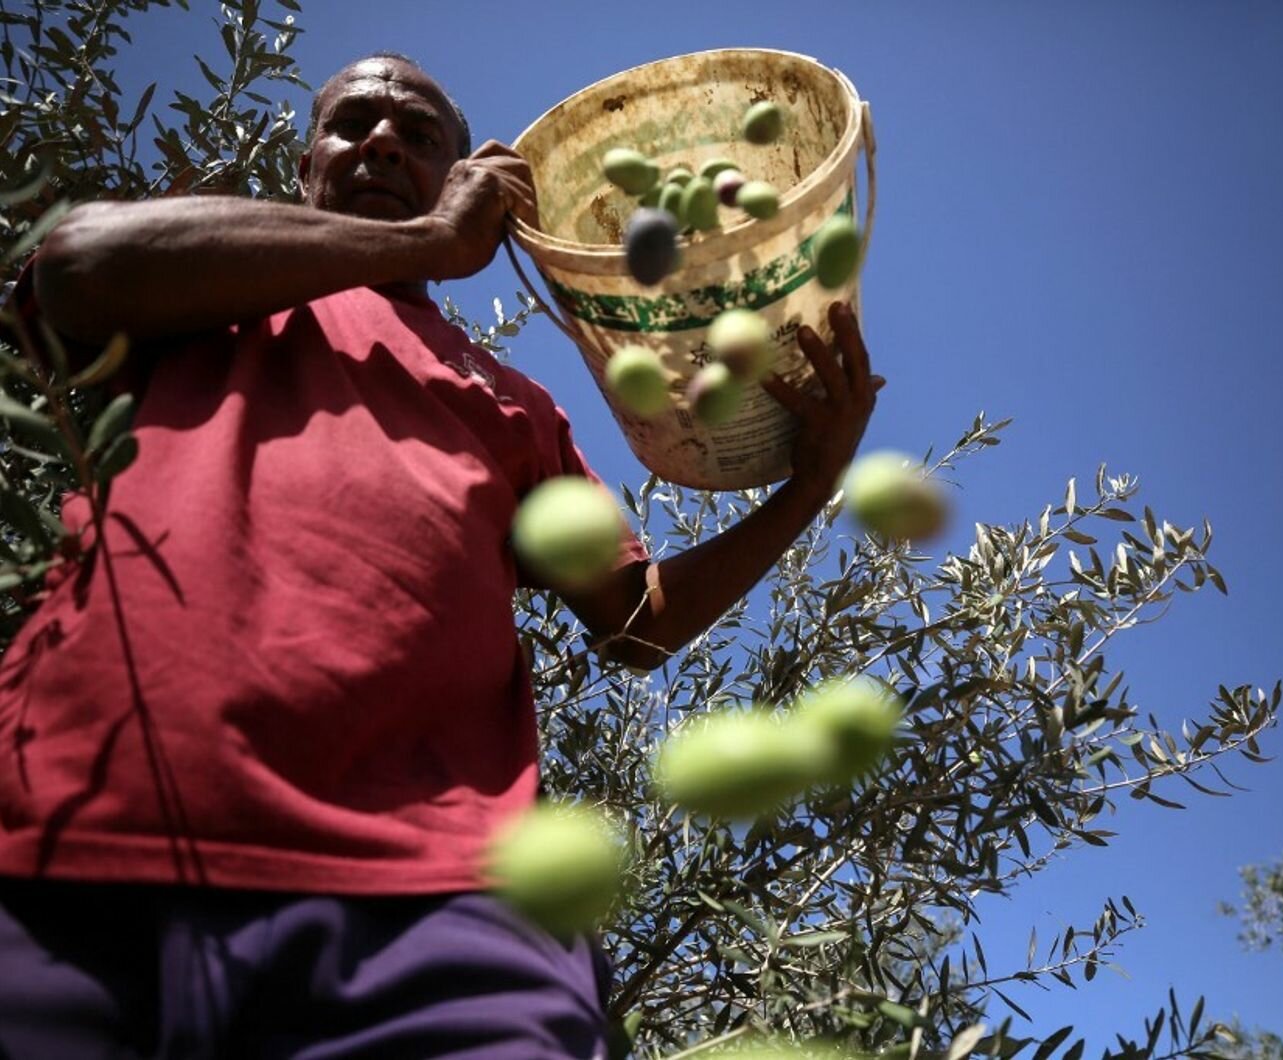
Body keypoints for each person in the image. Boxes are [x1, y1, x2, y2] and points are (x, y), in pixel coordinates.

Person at [0, 52, 878, 1059]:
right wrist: (422, 240)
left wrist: (808, 488)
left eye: (419, 136)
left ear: (469, 179)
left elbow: (640, 622)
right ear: (305, 165)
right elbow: (71, 268)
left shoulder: (511, 402)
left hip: (445, 917)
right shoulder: (208, 289)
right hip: (73, 844)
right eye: (355, 123)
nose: (383, 141)